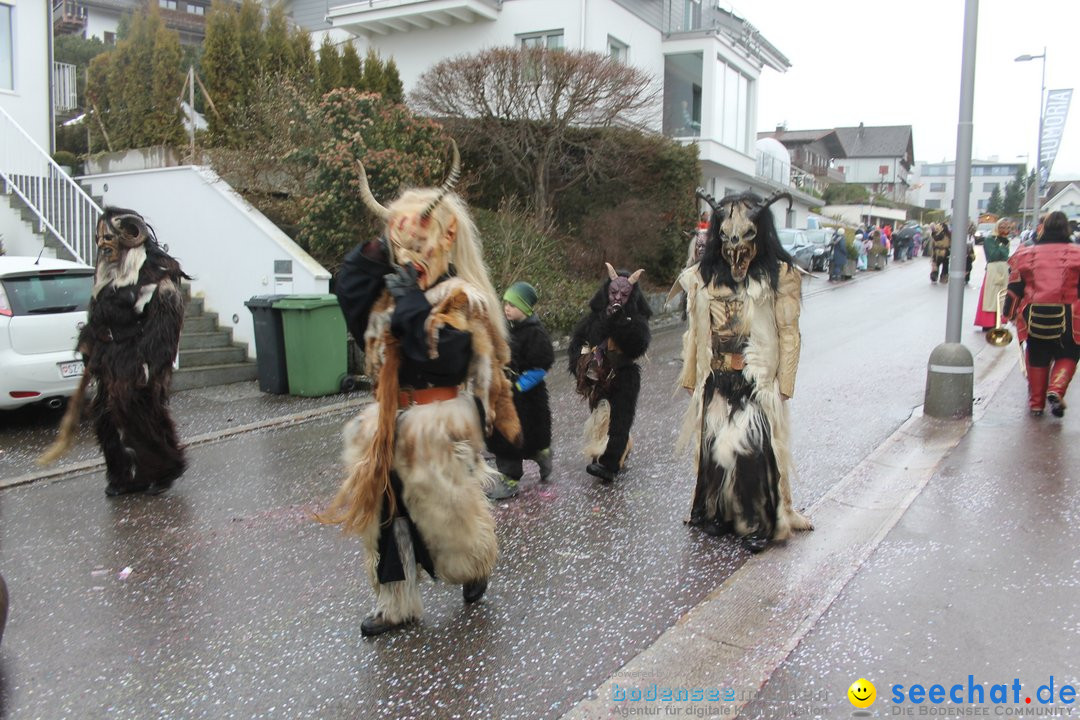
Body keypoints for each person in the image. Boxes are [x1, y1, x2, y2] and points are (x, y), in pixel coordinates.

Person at [325, 144, 521, 636]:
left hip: (437, 422)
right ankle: (396, 604)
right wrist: (378, 248)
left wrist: (412, 300)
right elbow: (347, 290)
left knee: (449, 519)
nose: (411, 255)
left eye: (420, 243)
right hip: (389, 422)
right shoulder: (391, 292)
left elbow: (443, 354)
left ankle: (475, 568)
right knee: (384, 517)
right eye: (402, 243)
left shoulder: (461, 296)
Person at [674, 190, 813, 554]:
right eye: (727, 236)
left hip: (757, 377)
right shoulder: (702, 277)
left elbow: (789, 332)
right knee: (716, 452)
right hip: (716, 376)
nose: (735, 246)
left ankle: (758, 522)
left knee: (752, 453)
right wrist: (692, 375)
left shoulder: (780, 275)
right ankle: (718, 515)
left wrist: (786, 382)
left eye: (746, 235)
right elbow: (695, 329)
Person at [39, 208, 189, 496]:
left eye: (108, 237)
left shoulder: (156, 278)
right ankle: (121, 475)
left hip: (137, 357)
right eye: (99, 238)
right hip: (109, 357)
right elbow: (99, 317)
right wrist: (89, 342)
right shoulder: (109, 276)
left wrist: (148, 364)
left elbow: (164, 328)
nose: (102, 245)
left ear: (128, 237)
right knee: (105, 418)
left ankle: (163, 468)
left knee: (138, 413)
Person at [569, 262, 651, 483]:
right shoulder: (595, 316)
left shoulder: (637, 320)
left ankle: (610, 464)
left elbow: (639, 345)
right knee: (600, 416)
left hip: (625, 375)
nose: (617, 297)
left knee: (620, 421)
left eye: (624, 294)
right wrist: (578, 365)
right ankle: (602, 453)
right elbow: (582, 339)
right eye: (613, 292)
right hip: (600, 375)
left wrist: (622, 322)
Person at [1003, 211, 1080, 418]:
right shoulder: (1078, 254)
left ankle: (1036, 404)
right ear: (1067, 229)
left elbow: (1014, 288)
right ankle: (1056, 387)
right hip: (1069, 316)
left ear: (1043, 228)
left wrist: (1008, 314)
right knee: (1068, 354)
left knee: (1037, 355)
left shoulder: (1026, 254)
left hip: (1033, 314)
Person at [486, 281, 555, 500]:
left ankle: (542, 456)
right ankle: (509, 478)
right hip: (504, 397)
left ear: (525, 308)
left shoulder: (536, 334)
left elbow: (541, 366)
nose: (507, 308)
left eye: (513, 305)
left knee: (531, 437)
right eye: (506, 303)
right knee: (504, 440)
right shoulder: (504, 330)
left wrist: (519, 385)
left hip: (528, 398)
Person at [974, 219, 1012, 331]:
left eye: (1007, 228)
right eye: (1002, 227)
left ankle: (999, 320)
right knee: (990, 295)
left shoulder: (1006, 240)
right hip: (993, 269)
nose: (1005, 230)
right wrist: (1001, 245)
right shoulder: (990, 239)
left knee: (1002, 294)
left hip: (1003, 269)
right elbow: (993, 255)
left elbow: (1005, 256)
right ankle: (988, 321)